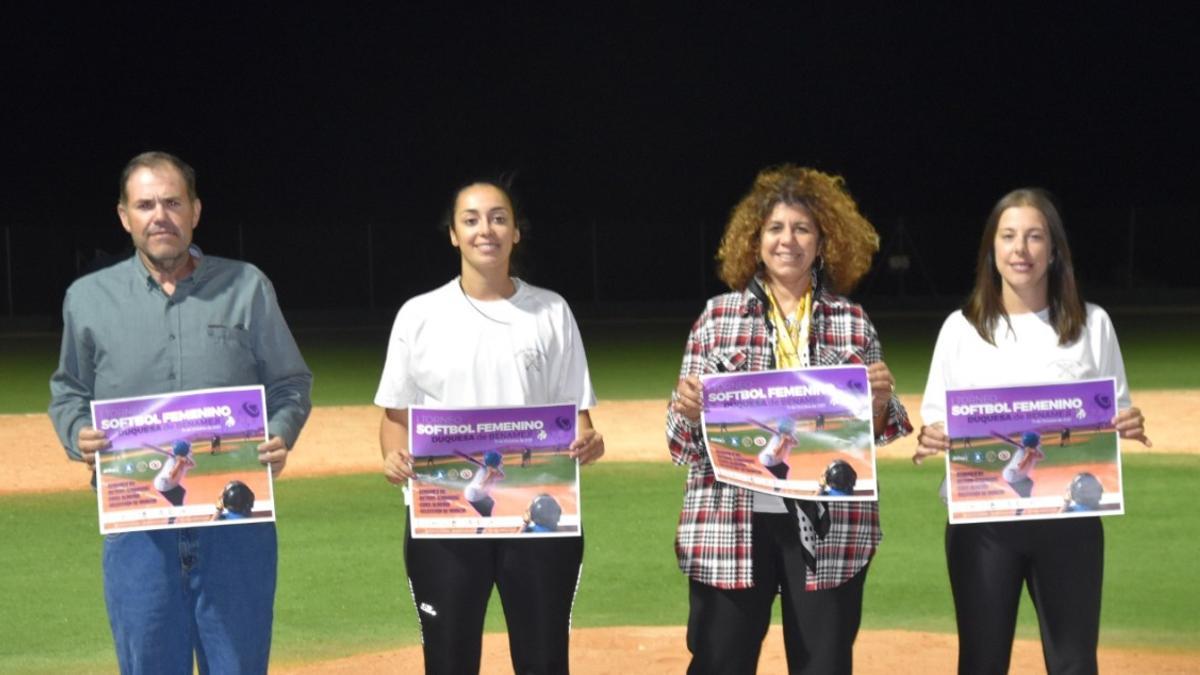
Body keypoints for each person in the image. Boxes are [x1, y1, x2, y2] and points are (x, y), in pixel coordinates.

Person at [48, 151, 313, 675]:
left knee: (237, 664)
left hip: (235, 524)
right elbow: (68, 391)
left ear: (195, 210)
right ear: (124, 216)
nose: (159, 215)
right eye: (145, 204)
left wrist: (280, 432)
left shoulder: (248, 287)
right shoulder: (88, 298)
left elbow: (289, 383)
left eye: (172, 201)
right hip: (137, 529)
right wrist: (78, 432)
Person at [667, 165, 911, 674]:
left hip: (829, 525)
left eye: (802, 229)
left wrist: (882, 402)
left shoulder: (851, 321)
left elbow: (881, 430)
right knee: (720, 663)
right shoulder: (717, 319)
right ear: (754, 241)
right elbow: (680, 443)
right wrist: (687, 410)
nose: (788, 241)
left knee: (823, 664)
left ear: (823, 242)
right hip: (731, 523)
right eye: (775, 229)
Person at [913, 188, 1151, 674]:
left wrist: (1125, 421)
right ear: (992, 250)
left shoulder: (1092, 324)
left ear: (1054, 250)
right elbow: (936, 419)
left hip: (1070, 520)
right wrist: (933, 436)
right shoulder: (961, 330)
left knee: (1074, 662)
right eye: (1008, 236)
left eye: (1034, 236)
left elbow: (1114, 409)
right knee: (981, 662)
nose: (1020, 249)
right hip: (982, 525)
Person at [375, 178, 605, 675]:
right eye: (472, 219)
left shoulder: (551, 311)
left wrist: (588, 440)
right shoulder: (419, 315)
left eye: (499, 218)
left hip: (540, 514)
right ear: (454, 234)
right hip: (443, 519)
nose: (487, 230)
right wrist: (392, 457)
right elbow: (395, 418)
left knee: (543, 659)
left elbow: (576, 415)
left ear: (516, 232)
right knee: (450, 660)